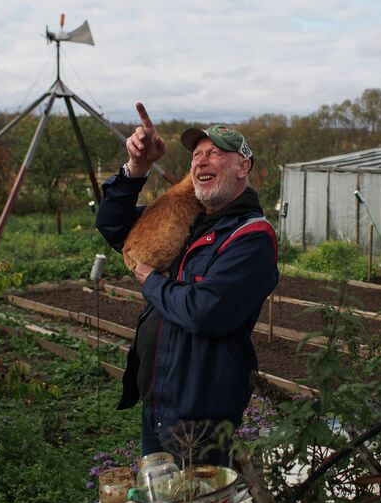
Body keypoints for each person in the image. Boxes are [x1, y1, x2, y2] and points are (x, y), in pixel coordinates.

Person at [96, 103, 279, 465]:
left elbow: (206, 311)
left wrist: (150, 282)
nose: (201, 160)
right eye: (196, 154)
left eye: (215, 153)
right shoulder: (185, 219)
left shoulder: (252, 236)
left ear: (244, 167)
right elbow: (113, 227)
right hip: (158, 404)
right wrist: (137, 168)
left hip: (201, 418)